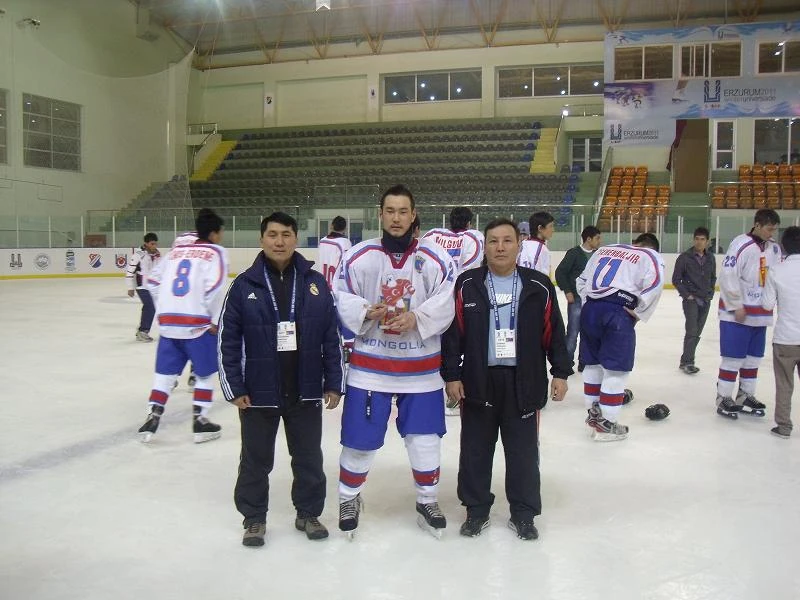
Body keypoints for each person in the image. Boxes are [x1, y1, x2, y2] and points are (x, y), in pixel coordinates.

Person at [333, 184, 456, 539]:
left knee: (425, 438)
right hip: (370, 370)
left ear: (413, 215)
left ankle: (427, 500)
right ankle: (348, 498)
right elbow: (340, 296)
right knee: (359, 440)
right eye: (390, 211)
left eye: (403, 211)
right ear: (380, 214)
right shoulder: (359, 256)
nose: (397, 218)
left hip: (421, 370)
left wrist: (417, 317)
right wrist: (364, 310)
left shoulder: (436, 258)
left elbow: (447, 300)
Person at [218, 212, 344, 547]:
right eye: (272, 234)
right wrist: (234, 387)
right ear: (262, 239)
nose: (279, 241)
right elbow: (227, 340)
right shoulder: (244, 285)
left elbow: (331, 336)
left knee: (309, 458)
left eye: (286, 234)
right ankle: (254, 519)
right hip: (258, 393)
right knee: (255, 461)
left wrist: (334, 382)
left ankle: (308, 513)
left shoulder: (315, 283)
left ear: (295, 239)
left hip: (305, 389)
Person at [442, 218, 571, 541]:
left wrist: (560, 372)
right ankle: (476, 510)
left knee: (523, 453)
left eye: (507, 241)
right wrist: (452, 375)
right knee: (475, 451)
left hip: (523, 381)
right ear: (484, 247)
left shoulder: (538, 285)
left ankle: (524, 513)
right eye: (493, 241)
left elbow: (554, 332)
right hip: (478, 380)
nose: (500, 247)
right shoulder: (467, 284)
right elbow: (453, 335)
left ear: (519, 245)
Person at [137, 209, 227, 444]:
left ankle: (152, 416)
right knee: (204, 373)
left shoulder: (175, 252)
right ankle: (200, 421)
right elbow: (215, 287)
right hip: (197, 325)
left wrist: (166, 308)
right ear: (214, 233)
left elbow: (152, 282)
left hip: (169, 324)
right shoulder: (216, 252)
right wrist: (214, 320)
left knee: (164, 375)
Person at [576, 232, 665, 441]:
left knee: (592, 364)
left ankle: (593, 414)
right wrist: (639, 312)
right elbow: (655, 284)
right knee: (616, 370)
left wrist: (590, 303)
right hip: (617, 312)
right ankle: (607, 424)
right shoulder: (649, 255)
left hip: (590, 310)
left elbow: (581, 280)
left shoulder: (605, 249)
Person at [716, 209, 781, 419]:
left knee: (753, 359)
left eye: (775, 230)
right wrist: (736, 305)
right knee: (733, 359)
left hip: (760, 313)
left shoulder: (774, 248)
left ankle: (745, 394)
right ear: (757, 225)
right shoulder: (740, 244)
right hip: (737, 314)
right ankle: (723, 397)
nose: (772, 233)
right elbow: (728, 274)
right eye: (769, 229)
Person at [762, 226, 800, 438]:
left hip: (786, 338)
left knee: (784, 384)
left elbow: (767, 305)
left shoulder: (777, 270)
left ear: (783, 246)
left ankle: (784, 426)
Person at [554, 226, 602, 370]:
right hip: (576, 299)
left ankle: (584, 362)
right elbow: (560, 272)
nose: (600, 241)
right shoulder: (574, 253)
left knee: (589, 332)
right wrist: (567, 291)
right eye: (597, 238)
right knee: (573, 332)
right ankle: (566, 363)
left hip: (592, 300)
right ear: (588, 239)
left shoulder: (598, 255)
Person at [672, 227, 716, 375]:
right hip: (691, 300)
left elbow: (713, 277)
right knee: (692, 330)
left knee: (697, 332)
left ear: (707, 241)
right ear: (693, 240)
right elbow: (676, 279)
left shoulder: (711, 258)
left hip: (705, 299)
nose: (699, 242)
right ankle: (688, 362)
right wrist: (687, 295)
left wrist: (710, 293)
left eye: (702, 239)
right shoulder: (685, 257)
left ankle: (686, 359)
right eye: (697, 239)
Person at [422, 206, 485, 274]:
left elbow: (420, 257)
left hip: (434, 278)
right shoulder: (474, 237)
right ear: (468, 223)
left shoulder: (433, 234)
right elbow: (471, 267)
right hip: (461, 279)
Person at [126, 232, 161, 342]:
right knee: (150, 307)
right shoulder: (138, 255)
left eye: (155, 244)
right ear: (146, 243)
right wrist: (130, 287)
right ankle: (143, 331)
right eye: (152, 244)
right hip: (141, 286)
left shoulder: (157, 254)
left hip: (153, 286)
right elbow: (129, 271)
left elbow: (159, 270)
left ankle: (142, 330)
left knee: (150, 307)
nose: (154, 246)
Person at [318, 216, 352, 288]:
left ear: (331, 226)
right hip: (336, 285)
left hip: (321, 283)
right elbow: (347, 265)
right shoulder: (345, 242)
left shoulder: (322, 241)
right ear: (345, 229)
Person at [517, 211, 554, 276]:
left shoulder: (523, 244)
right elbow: (542, 277)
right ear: (540, 228)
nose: (553, 230)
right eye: (550, 226)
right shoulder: (542, 249)